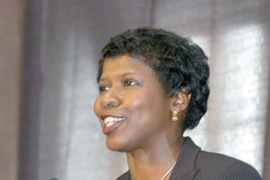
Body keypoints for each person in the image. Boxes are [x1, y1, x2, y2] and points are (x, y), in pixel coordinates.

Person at [93, 27, 262, 180]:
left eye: (129, 83)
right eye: (104, 87)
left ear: (178, 100)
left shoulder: (228, 175)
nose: (106, 99)